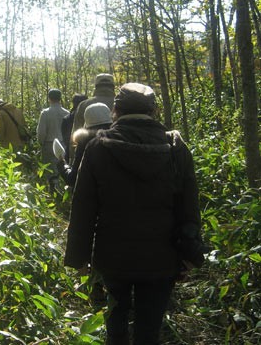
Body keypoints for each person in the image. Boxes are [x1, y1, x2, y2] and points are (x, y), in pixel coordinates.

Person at [64, 83, 204, 345]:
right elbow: (189, 204)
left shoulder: (97, 147)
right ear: (154, 111)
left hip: (112, 256)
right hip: (162, 256)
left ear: (115, 110)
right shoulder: (175, 146)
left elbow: (83, 206)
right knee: (148, 330)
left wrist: (79, 257)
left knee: (116, 321)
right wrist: (190, 251)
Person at [57, 102, 112, 187]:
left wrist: (62, 164)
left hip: (91, 197)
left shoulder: (84, 143)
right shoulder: (119, 138)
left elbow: (73, 179)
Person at [36, 89, 69, 192]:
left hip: (49, 144)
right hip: (63, 144)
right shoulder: (66, 113)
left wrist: (41, 142)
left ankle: (54, 191)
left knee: (51, 170)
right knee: (63, 168)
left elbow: (41, 132)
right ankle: (63, 191)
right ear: (60, 98)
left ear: (49, 98)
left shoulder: (45, 113)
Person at [72, 73, 115, 138]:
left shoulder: (84, 105)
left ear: (96, 87)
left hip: (88, 145)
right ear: (113, 87)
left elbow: (76, 131)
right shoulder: (120, 103)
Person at [61, 93, 88, 164]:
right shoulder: (88, 117)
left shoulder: (67, 118)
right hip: (85, 151)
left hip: (70, 152)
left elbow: (65, 138)